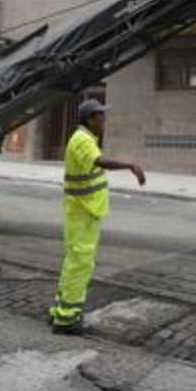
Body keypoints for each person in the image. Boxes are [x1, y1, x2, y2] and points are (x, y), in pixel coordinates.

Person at [48, 99, 145, 334]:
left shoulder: (85, 138)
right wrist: (130, 164)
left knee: (75, 263)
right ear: (90, 118)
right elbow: (100, 161)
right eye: (101, 116)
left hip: (84, 212)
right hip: (82, 212)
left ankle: (62, 310)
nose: (105, 120)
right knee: (80, 263)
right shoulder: (82, 140)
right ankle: (67, 319)